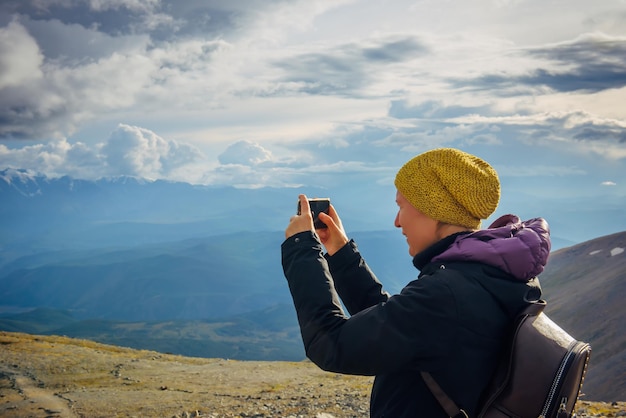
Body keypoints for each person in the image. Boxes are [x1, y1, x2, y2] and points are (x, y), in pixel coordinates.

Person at [281, 147, 551, 417]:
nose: (397, 221)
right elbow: (401, 325)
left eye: (401, 206)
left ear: (431, 208)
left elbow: (330, 344)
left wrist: (301, 248)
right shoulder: (483, 278)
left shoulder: (446, 293)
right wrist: (340, 253)